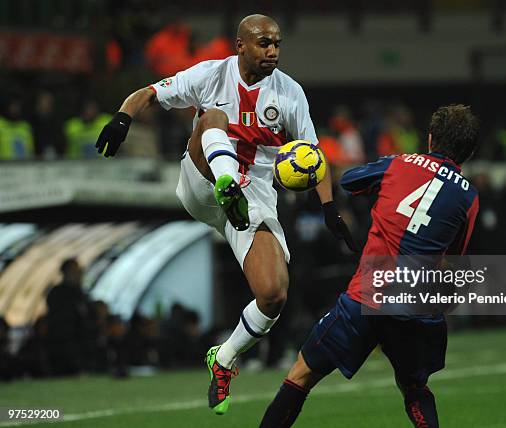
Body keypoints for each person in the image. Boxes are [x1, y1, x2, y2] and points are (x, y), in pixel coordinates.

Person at [94, 14, 357, 415]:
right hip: (203, 183)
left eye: (277, 44)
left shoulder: (290, 93)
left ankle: (225, 359)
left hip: (254, 200)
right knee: (213, 117)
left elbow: (312, 154)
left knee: (273, 295)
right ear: (241, 45)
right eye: (264, 44)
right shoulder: (209, 75)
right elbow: (148, 92)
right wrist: (123, 118)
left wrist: (329, 208)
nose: (273, 51)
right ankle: (226, 181)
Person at [259, 104, 480, 428]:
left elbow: (350, 180)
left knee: (302, 374)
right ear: (470, 151)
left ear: (430, 138)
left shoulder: (398, 164)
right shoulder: (469, 198)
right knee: (414, 388)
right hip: (416, 306)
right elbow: (453, 258)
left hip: (368, 296)